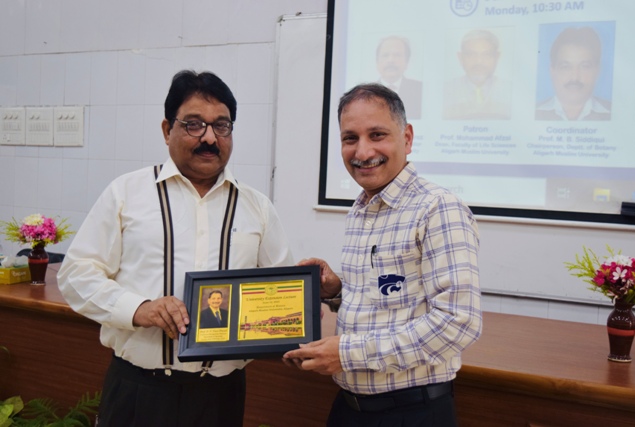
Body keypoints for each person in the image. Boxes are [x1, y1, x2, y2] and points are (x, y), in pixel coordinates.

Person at [57, 70, 293, 427]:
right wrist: (139, 309)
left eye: (222, 126)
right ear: (167, 130)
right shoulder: (126, 193)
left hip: (221, 396)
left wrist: (304, 302)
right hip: (139, 391)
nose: (210, 138)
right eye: (194, 125)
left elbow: (281, 289)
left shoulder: (257, 207)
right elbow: (76, 275)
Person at [283, 83, 482, 427]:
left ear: (406, 137)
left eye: (377, 134)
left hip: (412, 413)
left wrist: (346, 353)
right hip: (350, 408)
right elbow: (388, 299)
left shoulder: (438, 208)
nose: (362, 151)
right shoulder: (361, 209)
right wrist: (336, 290)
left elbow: (457, 323)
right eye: (350, 138)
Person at [535, 26, 611, 121]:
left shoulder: (613, 112)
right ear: (552, 71)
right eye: (565, 67)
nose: (575, 77)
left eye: (585, 66)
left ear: (597, 70)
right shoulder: (533, 111)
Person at [443, 29, 511, 120]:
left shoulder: (511, 91)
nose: (479, 61)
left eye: (486, 55)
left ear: (497, 57)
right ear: (460, 58)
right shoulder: (444, 91)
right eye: (471, 55)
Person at [376, 36, 423, 119]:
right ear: (377, 62)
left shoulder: (419, 89)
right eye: (385, 55)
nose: (390, 60)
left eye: (397, 55)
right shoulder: (366, 93)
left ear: (406, 62)